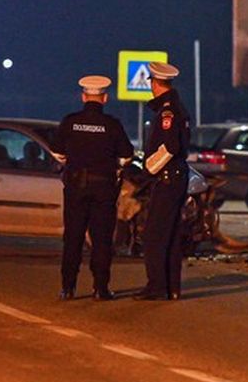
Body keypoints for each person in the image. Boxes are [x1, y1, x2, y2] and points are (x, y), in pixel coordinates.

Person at [53, 75, 133, 301]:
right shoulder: (112, 125)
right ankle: (100, 288)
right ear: (105, 98)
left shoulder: (70, 121)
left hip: (76, 186)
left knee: (73, 238)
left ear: (83, 96)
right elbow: (127, 155)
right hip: (104, 189)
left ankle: (68, 288)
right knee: (102, 239)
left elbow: (57, 151)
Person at [135, 62, 191, 300]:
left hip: (167, 179)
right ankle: (172, 287)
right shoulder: (178, 107)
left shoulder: (167, 111)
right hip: (176, 178)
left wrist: (149, 168)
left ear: (156, 83)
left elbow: (169, 147)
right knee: (171, 233)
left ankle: (157, 286)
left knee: (154, 234)